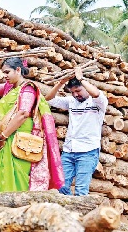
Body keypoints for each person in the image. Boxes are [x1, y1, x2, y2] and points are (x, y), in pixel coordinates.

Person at [0, 57, 64, 192]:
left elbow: (23, 114)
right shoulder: (9, 88)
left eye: (7, 72)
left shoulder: (27, 89)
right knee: (0, 173)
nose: (4, 76)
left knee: (16, 174)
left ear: (18, 70)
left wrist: (4, 136)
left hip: (18, 138)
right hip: (6, 135)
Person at [46, 67, 107, 196]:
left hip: (88, 152)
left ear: (86, 87)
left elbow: (96, 93)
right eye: (72, 92)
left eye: (78, 90)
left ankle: (80, 215)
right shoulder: (71, 102)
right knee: (60, 187)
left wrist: (81, 79)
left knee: (81, 190)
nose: (75, 94)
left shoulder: (98, 103)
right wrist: (61, 83)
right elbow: (49, 99)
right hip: (69, 151)